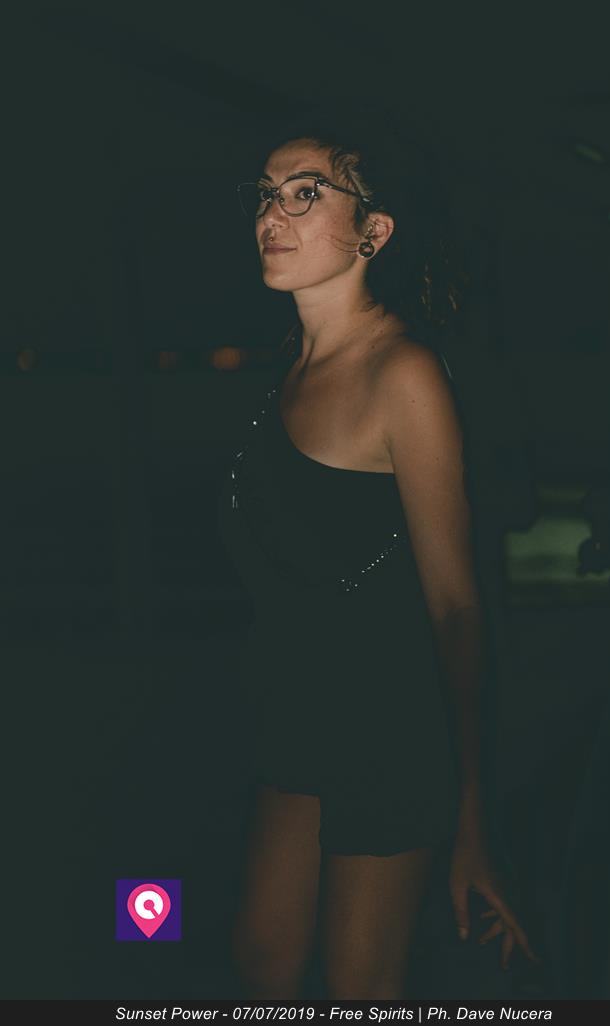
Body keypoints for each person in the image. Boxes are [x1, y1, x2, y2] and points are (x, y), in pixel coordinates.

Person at [218, 105, 540, 999]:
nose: (272, 215)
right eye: (266, 194)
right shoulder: (288, 366)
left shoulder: (402, 375)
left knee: (359, 991)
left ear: (374, 231)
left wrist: (470, 817)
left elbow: (455, 606)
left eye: (305, 194)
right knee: (262, 963)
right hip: (295, 718)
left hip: (389, 727)